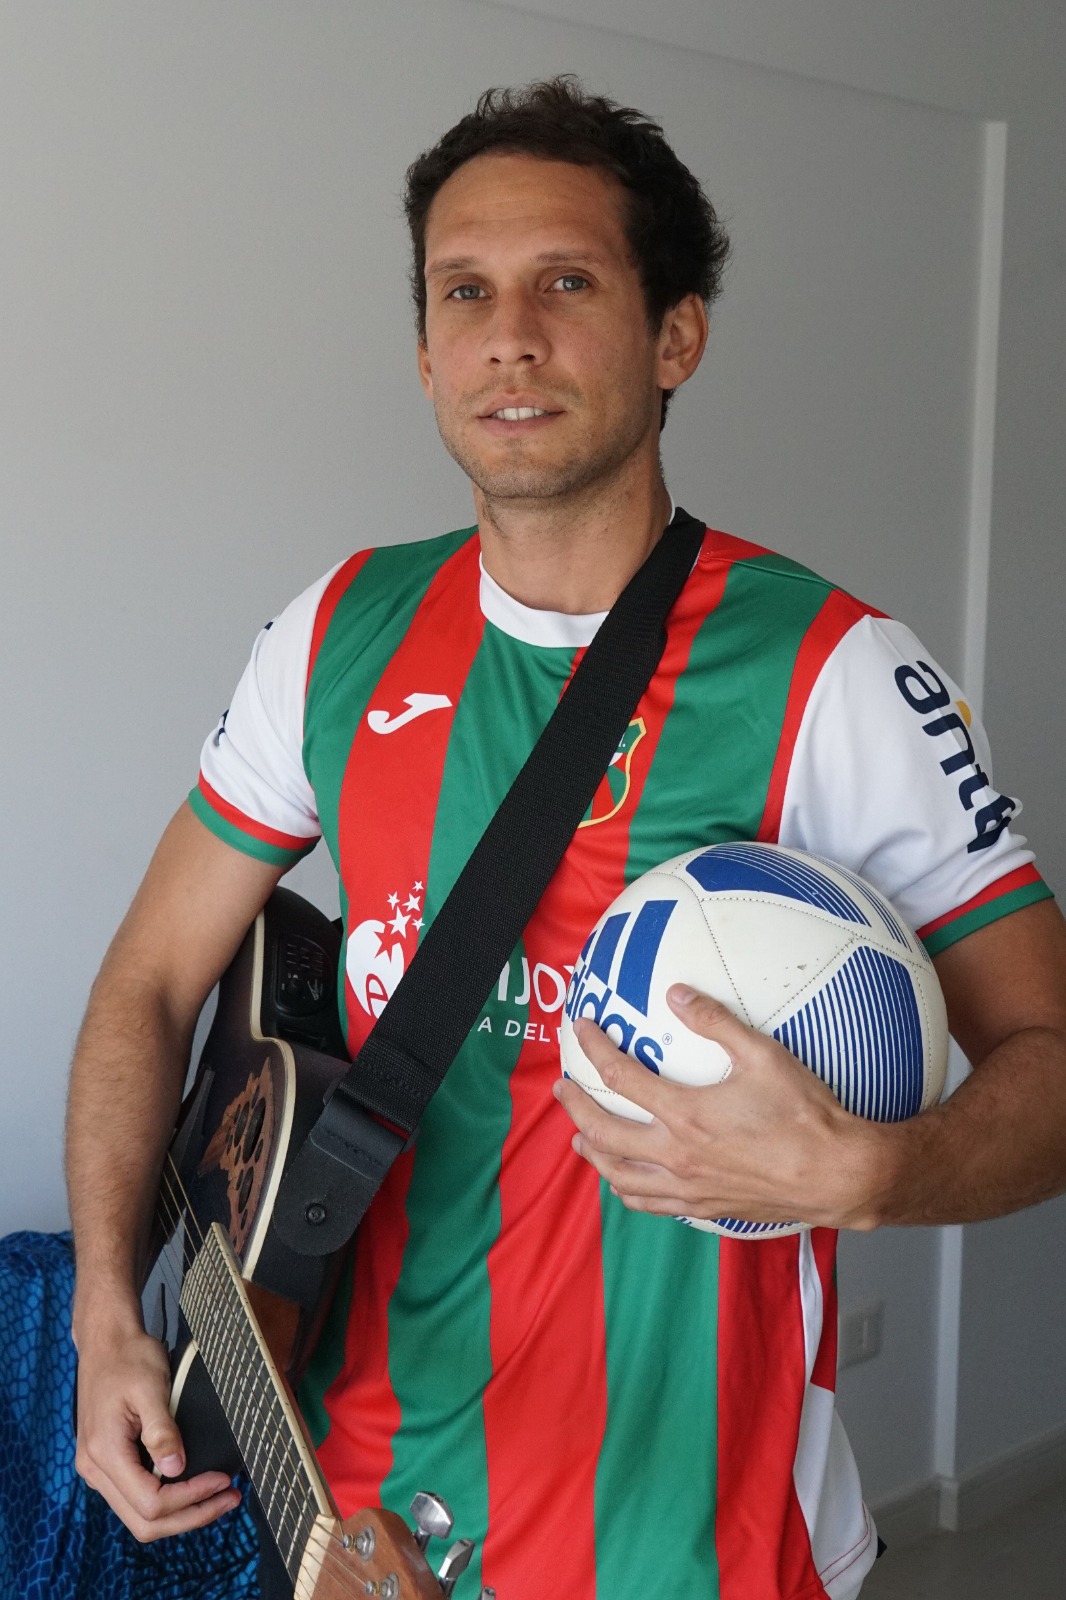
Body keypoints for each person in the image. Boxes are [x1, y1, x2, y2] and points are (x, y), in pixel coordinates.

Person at [66, 77, 1066, 1600]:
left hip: (694, 1545)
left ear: (676, 337)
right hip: (350, 1517)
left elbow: (1051, 1065)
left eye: (569, 284)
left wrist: (875, 1172)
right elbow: (148, 979)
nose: (509, 337)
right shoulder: (336, 633)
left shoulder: (834, 672)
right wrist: (103, 1314)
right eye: (463, 291)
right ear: (424, 349)